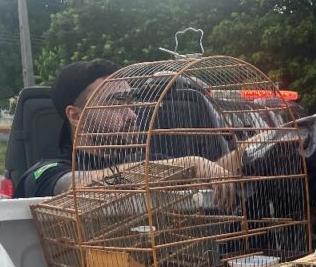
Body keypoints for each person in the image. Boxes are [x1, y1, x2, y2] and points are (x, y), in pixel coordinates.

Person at [14, 59, 236, 199]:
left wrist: (247, 152)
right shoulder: (46, 173)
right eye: (116, 103)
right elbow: (80, 187)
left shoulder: (145, 162)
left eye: (130, 102)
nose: (132, 114)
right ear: (76, 116)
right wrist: (190, 164)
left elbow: (209, 173)